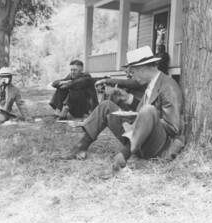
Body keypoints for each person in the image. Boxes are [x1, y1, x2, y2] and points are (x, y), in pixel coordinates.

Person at [57, 46, 184, 175]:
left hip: (156, 147)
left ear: (142, 68)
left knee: (148, 110)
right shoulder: (152, 84)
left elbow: (173, 128)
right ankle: (80, 147)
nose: (131, 77)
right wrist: (127, 99)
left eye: (132, 72)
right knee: (106, 106)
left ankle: (123, 156)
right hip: (140, 140)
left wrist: (141, 122)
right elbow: (143, 111)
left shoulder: (168, 86)